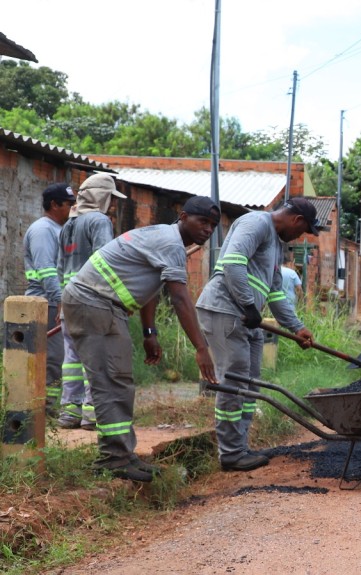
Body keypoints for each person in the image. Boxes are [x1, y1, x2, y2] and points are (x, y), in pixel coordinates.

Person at [61, 196, 220, 482]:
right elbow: (180, 298)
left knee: (120, 381)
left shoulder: (166, 238)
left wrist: (150, 333)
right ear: (184, 217)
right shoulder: (171, 244)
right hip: (93, 302)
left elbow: (151, 288)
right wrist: (201, 348)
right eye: (203, 221)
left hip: (104, 305)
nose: (208, 229)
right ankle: (113, 459)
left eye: (213, 225)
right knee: (110, 381)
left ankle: (123, 454)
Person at [196, 198, 317, 472]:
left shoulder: (276, 245)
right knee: (234, 381)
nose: (299, 237)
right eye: (303, 231)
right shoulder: (256, 223)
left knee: (251, 384)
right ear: (297, 220)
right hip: (226, 310)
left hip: (248, 318)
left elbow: (275, 294)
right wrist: (250, 305)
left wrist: (297, 327)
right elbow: (233, 263)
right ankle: (230, 453)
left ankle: (241, 446)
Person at [55, 173, 126, 430]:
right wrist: (119, 298)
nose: (113, 204)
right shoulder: (99, 221)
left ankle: (69, 413)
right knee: (95, 358)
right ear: (100, 197)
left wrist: (62, 304)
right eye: (110, 197)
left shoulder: (68, 225)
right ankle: (93, 415)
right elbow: (105, 261)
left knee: (72, 359)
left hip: (69, 302)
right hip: (91, 300)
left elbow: (60, 267)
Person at [23, 182, 76, 416]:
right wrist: (59, 301)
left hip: (55, 302)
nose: (73, 208)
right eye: (69, 204)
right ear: (54, 205)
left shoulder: (58, 229)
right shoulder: (43, 230)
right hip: (47, 303)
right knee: (53, 359)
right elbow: (46, 270)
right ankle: (43, 412)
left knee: (58, 358)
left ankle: (47, 410)